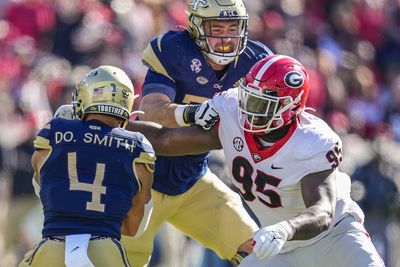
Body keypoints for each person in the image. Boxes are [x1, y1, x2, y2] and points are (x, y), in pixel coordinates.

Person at [124, 54, 385, 267]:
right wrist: (108, 121)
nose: (248, 110)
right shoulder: (232, 113)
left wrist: (284, 229)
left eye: (261, 105)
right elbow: (164, 140)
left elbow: (322, 212)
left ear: (290, 106)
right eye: (249, 98)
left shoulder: (312, 141)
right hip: (281, 248)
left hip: (334, 238)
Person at [121, 0, 273, 265]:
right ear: (195, 27)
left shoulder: (256, 61)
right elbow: (151, 109)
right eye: (216, 27)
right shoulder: (175, 50)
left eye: (232, 27)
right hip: (142, 184)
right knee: (118, 260)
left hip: (194, 181)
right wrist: (189, 113)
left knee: (259, 253)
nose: (226, 37)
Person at [19, 66, 156, 267]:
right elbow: (133, 228)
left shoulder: (54, 131)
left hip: (53, 248)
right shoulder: (138, 147)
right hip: (105, 251)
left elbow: (43, 189)